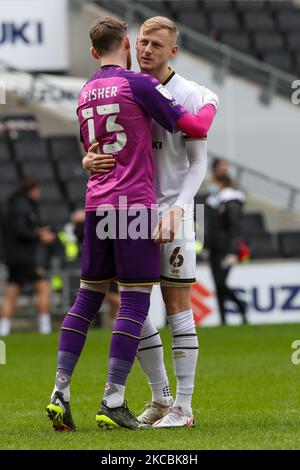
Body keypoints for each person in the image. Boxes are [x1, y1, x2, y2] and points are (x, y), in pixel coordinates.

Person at [46, 16, 216, 432]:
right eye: (142, 42)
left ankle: (183, 405)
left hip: (164, 209)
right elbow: (96, 149)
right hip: (136, 208)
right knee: (134, 306)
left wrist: (179, 206)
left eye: (156, 44)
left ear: (173, 50)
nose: (147, 50)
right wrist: (87, 159)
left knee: (173, 306)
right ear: (128, 43)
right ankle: (153, 396)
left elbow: (199, 161)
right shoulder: (136, 85)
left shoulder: (186, 92)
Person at [0, 177, 55, 337]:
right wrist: (39, 235)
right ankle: (45, 328)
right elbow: (21, 230)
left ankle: (4, 329)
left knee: (12, 293)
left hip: (12, 257)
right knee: (43, 288)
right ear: (32, 190)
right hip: (24, 257)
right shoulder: (23, 207)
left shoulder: (12, 205)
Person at [206, 175, 247, 325]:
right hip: (214, 250)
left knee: (222, 284)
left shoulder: (231, 201)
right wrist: (206, 247)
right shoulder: (213, 202)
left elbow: (235, 228)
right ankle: (223, 319)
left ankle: (242, 307)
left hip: (226, 250)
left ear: (222, 183)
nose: (212, 185)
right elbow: (210, 228)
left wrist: (232, 251)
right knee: (218, 285)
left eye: (214, 182)